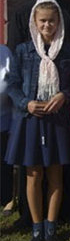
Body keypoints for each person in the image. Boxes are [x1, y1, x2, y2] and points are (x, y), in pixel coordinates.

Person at [5, 0, 70, 241]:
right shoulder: (23, 50)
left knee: (56, 174)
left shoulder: (69, 51)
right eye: (43, 21)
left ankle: (51, 226)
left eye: (52, 21)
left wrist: (64, 95)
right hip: (31, 120)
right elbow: (12, 84)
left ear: (59, 22)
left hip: (57, 119)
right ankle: (36, 227)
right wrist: (26, 103)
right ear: (34, 23)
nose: (48, 26)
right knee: (33, 175)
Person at [0, 45, 15, 216]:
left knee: (3, 170)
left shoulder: (5, 53)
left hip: (3, 123)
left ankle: (8, 200)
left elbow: (12, 86)